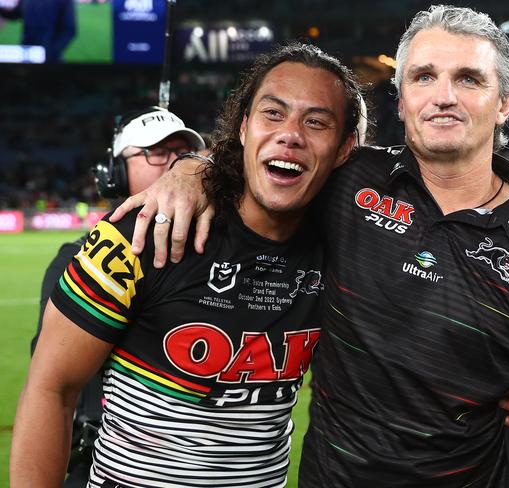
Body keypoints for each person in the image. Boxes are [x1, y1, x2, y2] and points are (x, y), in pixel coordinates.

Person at [107, 6, 509, 484]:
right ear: (401, 96)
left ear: (505, 103)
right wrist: (192, 168)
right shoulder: (344, 182)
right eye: (424, 76)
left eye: (469, 79)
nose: (444, 96)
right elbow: (261, 161)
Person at [10, 43, 362, 488]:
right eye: (273, 113)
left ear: (345, 146)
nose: (291, 133)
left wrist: (195, 165)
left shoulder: (343, 245)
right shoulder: (137, 236)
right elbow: (51, 389)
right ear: (243, 126)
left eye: (316, 122)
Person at [29, 106, 206, 487]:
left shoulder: (221, 252)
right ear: (115, 174)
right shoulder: (76, 260)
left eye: (183, 153)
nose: (174, 164)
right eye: (156, 152)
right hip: (99, 468)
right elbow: (50, 388)